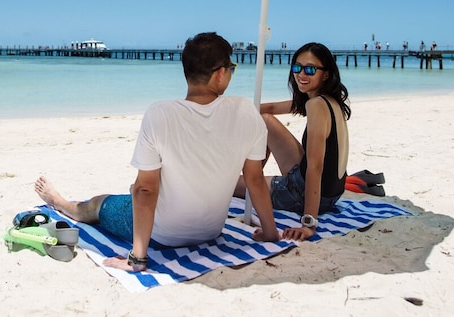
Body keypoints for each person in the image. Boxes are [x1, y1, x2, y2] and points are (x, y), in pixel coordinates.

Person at [34, 32, 280, 273]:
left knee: (99, 204)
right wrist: (270, 232)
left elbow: (146, 190)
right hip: (210, 231)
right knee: (138, 189)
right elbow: (255, 179)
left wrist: (138, 259)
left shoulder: (161, 115)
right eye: (231, 68)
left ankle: (59, 202)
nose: (231, 74)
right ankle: (69, 200)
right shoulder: (247, 113)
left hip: (163, 235)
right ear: (219, 74)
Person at [233, 42, 349, 242]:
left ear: (326, 74)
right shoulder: (327, 100)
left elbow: (316, 167)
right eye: (297, 67)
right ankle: (256, 178)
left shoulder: (316, 105)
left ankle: (255, 182)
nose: (301, 75)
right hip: (333, 193)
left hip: (307, 194)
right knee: (265, 119)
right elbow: (268, 108)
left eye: (310, 69)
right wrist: (229, 109)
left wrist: (308, 224)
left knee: (230, 184)